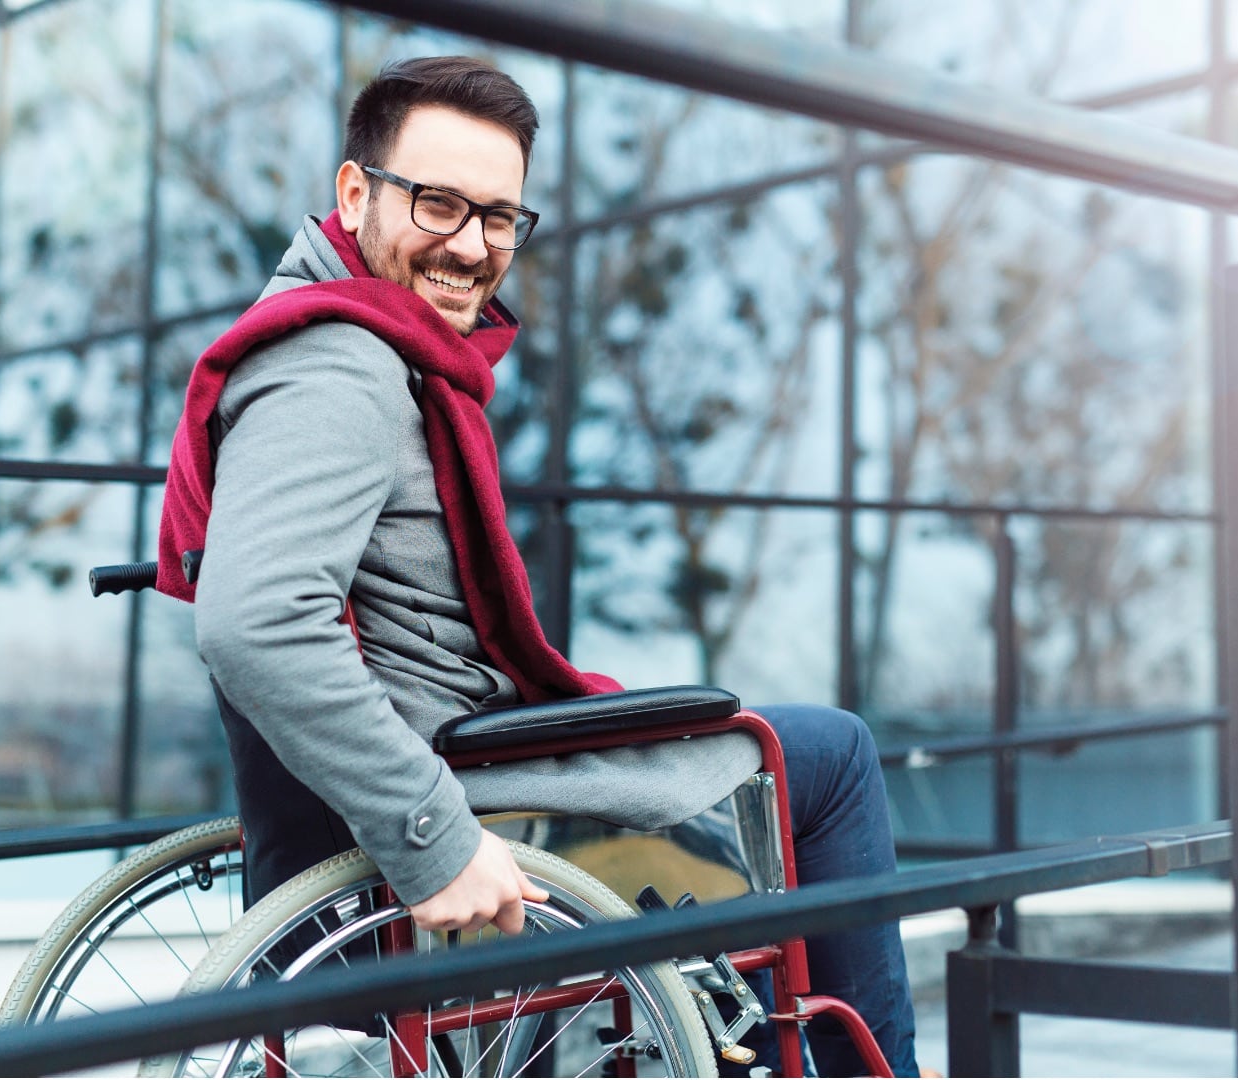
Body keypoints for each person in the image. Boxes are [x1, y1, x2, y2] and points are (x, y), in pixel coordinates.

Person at [157, 55, 918, 1076]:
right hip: (448, 759)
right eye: (438, 203)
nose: (471, 246)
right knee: (827, 757)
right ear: (354, 193)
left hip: (445, 729)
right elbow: (255, 621)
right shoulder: (337, 366)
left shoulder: (360, 344)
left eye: (499, 217)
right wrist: (433, 836)